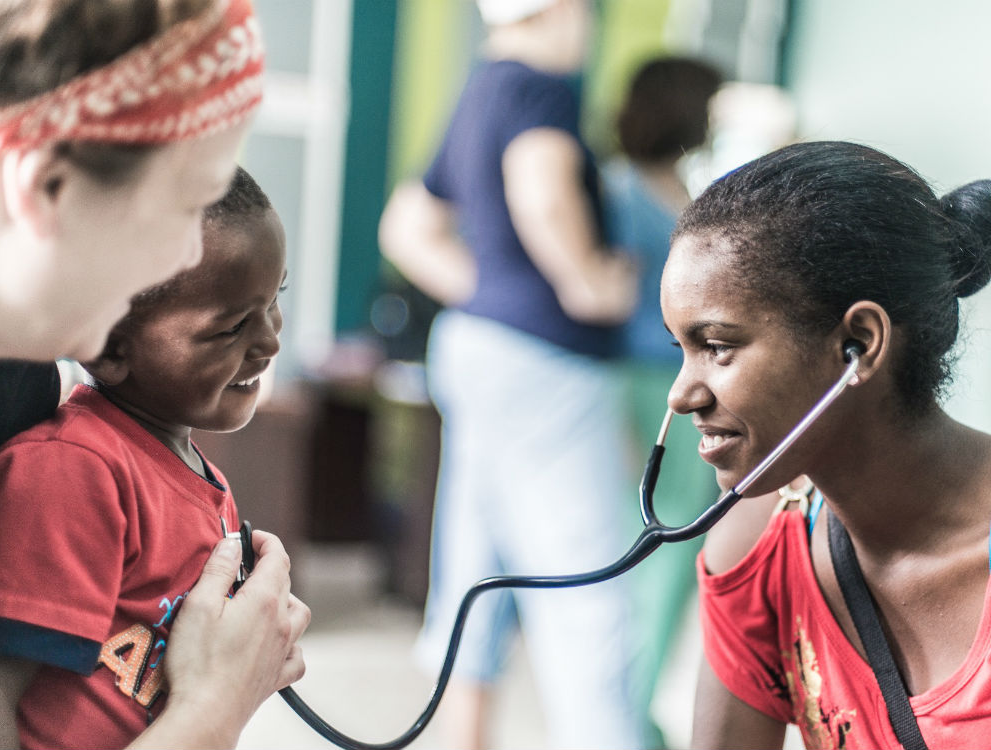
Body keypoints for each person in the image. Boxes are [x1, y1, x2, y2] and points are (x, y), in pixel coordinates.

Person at [0, 2, 308, 747]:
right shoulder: (59, 455)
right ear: (47, 188)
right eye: (185, 206)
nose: (179, 262)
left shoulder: (21, 381)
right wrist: (213, 708)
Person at [657, 140, 991, 749]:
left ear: (859, 343)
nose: (682, 396)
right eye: (681, 348)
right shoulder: (760, 545)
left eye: (718, 345)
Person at [379, 1, 648, 748]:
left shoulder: (482, 86)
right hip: (547, 365)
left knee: (475, 571)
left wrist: (494, 296)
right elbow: (539, 188)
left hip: (478, 349)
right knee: (590, 590)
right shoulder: (540, 86)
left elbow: (405, 227)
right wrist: (586, 280)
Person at [599, 56, 722, 744]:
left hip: (688, 387)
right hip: (644, 391)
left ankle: (635, 714)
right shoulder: (619, 193)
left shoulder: (683, 188)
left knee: (680, 555)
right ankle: (623, 722)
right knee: (653, 547)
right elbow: (606, 314)